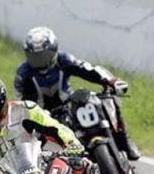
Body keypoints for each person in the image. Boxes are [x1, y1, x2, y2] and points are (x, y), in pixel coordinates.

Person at [14, 26, 140, 160]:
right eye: (34, 57)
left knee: (107, 99)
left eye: (43, 56)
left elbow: (88, 69)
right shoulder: (23, 74)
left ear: (53, 50)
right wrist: (32, 118)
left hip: (70, 105)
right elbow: (21, 101)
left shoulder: (64, 60)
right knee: (30, 144)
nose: (40, 61)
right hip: (45, 115)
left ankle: (125, 141)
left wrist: (112, 81)